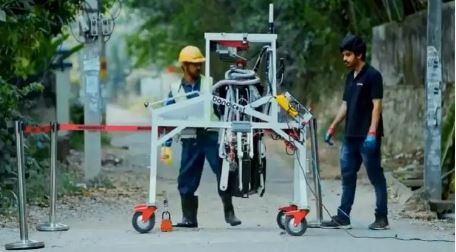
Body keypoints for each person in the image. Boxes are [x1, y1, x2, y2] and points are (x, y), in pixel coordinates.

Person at [161, 45, 241, 228]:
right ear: (185, 66)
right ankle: (189, 218)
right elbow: (166, 117)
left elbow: (222, 111)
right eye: (194, 64)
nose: (198, 67)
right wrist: (166, 144)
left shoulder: (209, 84)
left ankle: (229, 212)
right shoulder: (175, 90)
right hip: (190, 139)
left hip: (210, 137)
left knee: (223, 172)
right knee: (185, 179)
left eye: (199, 64)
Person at [321, 34, 389, 230]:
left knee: (376, 177)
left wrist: (372, 134)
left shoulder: (373, 76)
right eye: (343, 55)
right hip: (350, 137)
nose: (345, 59)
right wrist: (333, 127)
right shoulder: (349, 77)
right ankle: (343, 216)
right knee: (348, 176)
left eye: (348, 55)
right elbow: (345, 106)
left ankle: (381, 217)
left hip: (367, 137)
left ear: (359, 54)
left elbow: (377, 106)